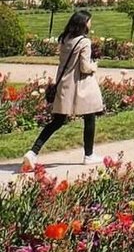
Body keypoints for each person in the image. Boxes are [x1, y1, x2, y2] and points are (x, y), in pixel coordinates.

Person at [22, 9, 104, 169]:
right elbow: (84, 67)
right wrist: (94, 66)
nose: (90, 23)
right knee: (89, 117)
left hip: (64, 85)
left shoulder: (65, 39)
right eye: (89, 21)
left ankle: (33, 152)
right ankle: (89, 154)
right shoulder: (84, 42)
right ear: (83, 23)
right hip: (81, 86)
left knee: (57, 121)